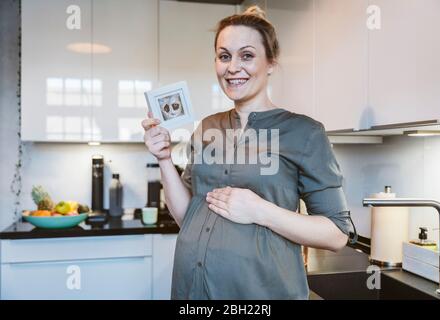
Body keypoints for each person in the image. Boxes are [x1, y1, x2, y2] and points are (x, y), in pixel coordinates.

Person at [142, 6, 354, 300]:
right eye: (224, 56)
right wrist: (164, 158)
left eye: (247, 55)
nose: (232, 67)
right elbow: (187, 216)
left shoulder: (305, 133)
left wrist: (259, 210)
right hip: (192, 291)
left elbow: (336, 234)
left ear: (270, 62)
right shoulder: (207, 127)